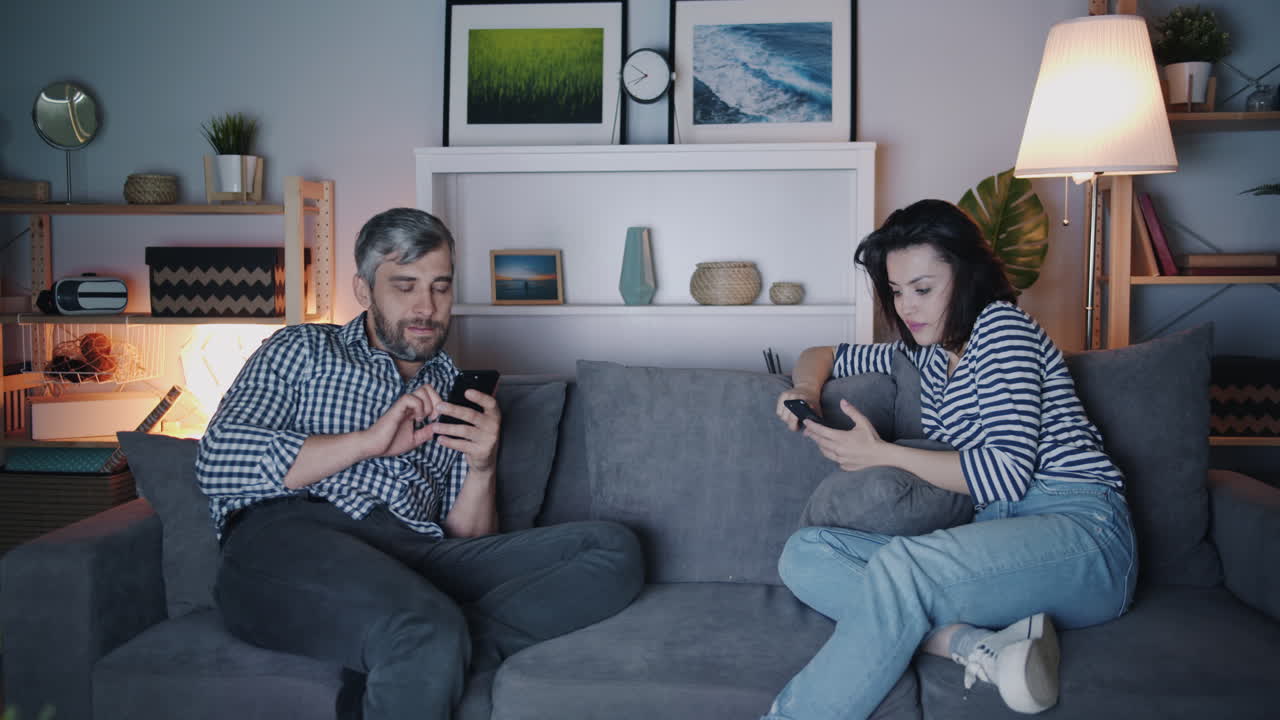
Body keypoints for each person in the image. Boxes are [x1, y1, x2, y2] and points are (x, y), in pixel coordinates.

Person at [196, 207, 643, 719]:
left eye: (440, 287)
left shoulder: (453, 385)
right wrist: (368, 442)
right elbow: (217, 461)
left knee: (611, 549)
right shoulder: (303, 349)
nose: (426, 307)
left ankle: (443, 647)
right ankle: (431, 641)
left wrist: (482, 465)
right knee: (425, 627)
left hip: (415, 554)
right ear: (364, 290)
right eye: (405, 285)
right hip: (293, 538)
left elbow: (468, 546)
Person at [765, 199, 1136, 718]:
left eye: (922, 289)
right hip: (1002, 543)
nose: (906, 308)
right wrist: (802, 388)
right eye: (896, 292)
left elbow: (1006, 475)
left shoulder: (1001, 329)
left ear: (968, 277)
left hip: (1084, 538)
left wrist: (879, 453)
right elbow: (825, 353)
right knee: (806, 553)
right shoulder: (930, 353)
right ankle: (970, 644)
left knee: (903, 567)